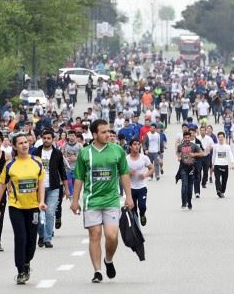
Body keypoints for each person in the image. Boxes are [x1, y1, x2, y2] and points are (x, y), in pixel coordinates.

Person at [70, 119, 133, 283]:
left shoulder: (117, 150)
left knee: (112, 236)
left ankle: (108, 260)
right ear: (95, 134)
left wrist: (129, 197)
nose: (108, 134)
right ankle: (97, 271)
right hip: (92, 201)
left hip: (112, 200)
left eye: (109, 131)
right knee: (95, 234)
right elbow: (78, 178)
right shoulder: (85, 153)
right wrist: (74, 200)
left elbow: (124, 174)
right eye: (104, 132)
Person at [0, 133, 46, 284]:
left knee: (31, 239)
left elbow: (41, 183)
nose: (24, 145)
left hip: (34, 207)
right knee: (20, 237)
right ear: (14, 146)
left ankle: (27, 262)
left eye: (26, 142)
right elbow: (2, 186)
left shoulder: (37, 162)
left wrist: (41, 201)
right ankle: (20, 270)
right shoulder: (10, 165)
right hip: (16, 207)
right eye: (20, 143)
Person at [32, 128, 67, 248]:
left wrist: (66, 189)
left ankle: (47, 238)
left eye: (49, 138)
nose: (46, 140)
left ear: (53, 139)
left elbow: (62, 171)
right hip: (38, 188)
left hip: (53, 187)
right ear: (42, 139)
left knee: (50, 213)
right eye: (44, 138)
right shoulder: (36, 152)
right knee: (37, 213)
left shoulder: (57, 153)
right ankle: (41, 235)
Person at [126, 138, 153, 225]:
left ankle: (142, 215)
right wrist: (128, 172)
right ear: (130, 146)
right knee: (133, 209)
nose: (137, 146)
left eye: (138, 144)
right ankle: (136, 225)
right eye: (134, 144)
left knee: (142, 206)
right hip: (130, 188)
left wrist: (145, 175)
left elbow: (152, 168)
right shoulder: (126, 159)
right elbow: (121, 172)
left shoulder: (144, 158)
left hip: (141, 187)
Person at [175, 128, 202, 210]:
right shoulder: (180, 146)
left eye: (188, 138)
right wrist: (179, 157)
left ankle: (189, 202)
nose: (187, 139)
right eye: (185, 138)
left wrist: (194, 154)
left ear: (190, 138)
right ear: (183, 138)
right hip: (183, 168)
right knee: (184, 185)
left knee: (190, 187)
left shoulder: (194, 146)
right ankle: (183, 203)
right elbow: (177, 152)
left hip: (192, 168)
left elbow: (202, 153)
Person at [211, 131, 234, 197]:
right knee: (217, 178)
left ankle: (222, 191)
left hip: (225, 165)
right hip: (217, 165)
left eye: (222, 137)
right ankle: (218, 190)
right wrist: (212, 165)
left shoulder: (227, 147)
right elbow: (213, 156)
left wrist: (232, 163)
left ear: (224, 138)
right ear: (218, 138)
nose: (221, 138)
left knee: (224, 180)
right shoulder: (215, 146)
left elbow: (230, 154)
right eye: (219, 137)